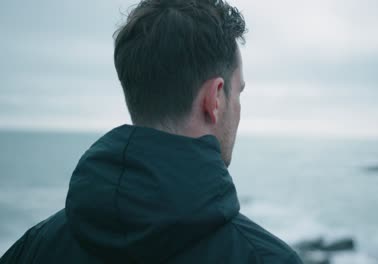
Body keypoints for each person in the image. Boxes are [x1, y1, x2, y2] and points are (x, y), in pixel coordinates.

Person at [0, 0, 303, 263]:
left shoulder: (34, 248)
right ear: (215, 99)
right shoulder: (266, 258)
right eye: (239, 93)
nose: (239, 107)